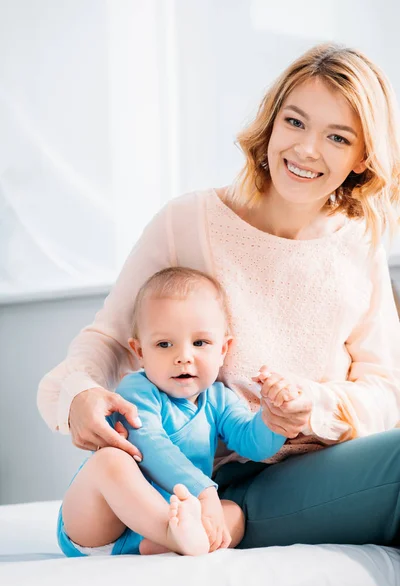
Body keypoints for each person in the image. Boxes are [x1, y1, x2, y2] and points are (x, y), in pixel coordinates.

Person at [39, 42, 400, 548]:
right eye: (294, 123)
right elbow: (109, 340)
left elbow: (386, 391)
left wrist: (308, 403)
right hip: (201, 477)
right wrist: (78, 394)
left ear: (364, 156)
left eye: (337, 137)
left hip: (307, 470)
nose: (306, 150)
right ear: (271, 124)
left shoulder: (358, 243)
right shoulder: (188, 222)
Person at [57, 267, 287, 557]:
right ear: (140, 352)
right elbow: (151, 446)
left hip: (172, 521)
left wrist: (275, 418)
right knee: (110, 460)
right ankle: (170, 533)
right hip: (101, 524)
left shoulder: (219, 399)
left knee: (234, 514)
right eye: (164, 344)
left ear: (223, 349)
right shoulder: (136, 391)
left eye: (200, 342)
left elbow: (253, 444)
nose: (183, 356)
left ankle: (170, 541)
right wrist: (204, 491)